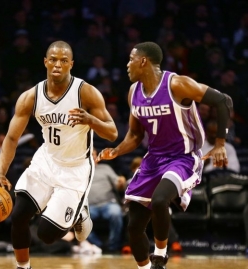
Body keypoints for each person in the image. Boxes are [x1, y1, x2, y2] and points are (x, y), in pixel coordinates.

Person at [97, 42, 232, 269]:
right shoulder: (133, 92)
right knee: (134, 227)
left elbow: (223, 100)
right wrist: (117, 150)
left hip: (183, 157)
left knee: (160, 199)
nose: (127, 65)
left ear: (143, 61)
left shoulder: (177, 84)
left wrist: (220, 143)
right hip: (154, 159)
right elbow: (135, 134)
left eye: (131, 59)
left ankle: (160, 256)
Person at [0, 41, 117, 269]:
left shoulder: (86, 93)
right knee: (18, 216)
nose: (58, 64)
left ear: (71, 64)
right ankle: (22, 267)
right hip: (46, 161)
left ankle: (78, 213)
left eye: (64, 61)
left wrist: (91, 120)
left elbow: (113, 133)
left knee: (46, 235)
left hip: (75, 169)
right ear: (45, 62)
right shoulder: (30, 97)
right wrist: (0, 172)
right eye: (53, 59)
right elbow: (11, 138)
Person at [87, 149, 126, 253]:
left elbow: (119, 185)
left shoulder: (105, 168)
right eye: (89, 154)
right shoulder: (79, 171)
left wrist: (121, 183)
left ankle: (113, 246)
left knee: (116, 213)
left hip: (108, 203)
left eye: (94, 154)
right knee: (79, 219)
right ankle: (98, 245)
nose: (93, 156)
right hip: (89, 206)